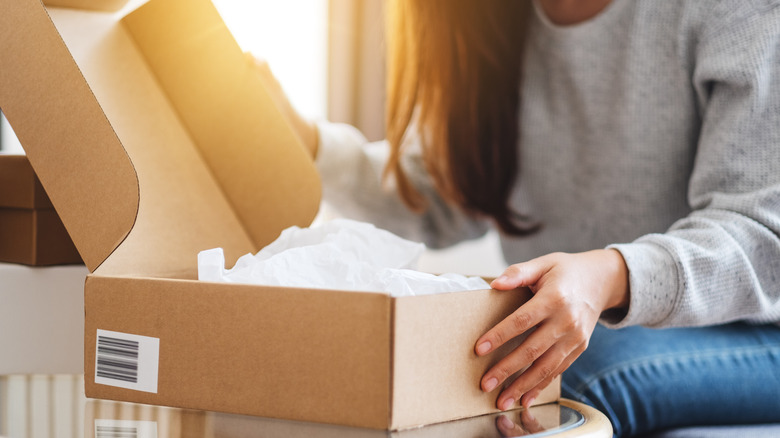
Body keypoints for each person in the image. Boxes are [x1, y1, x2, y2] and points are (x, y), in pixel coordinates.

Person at [254, 0, 780, 436]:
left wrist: (610, 275)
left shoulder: (734, 11)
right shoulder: (485, 18)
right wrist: (308, 142)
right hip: (603, 329)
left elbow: (762, 235)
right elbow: (442, 195)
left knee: (558, 383)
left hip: (757, 331)